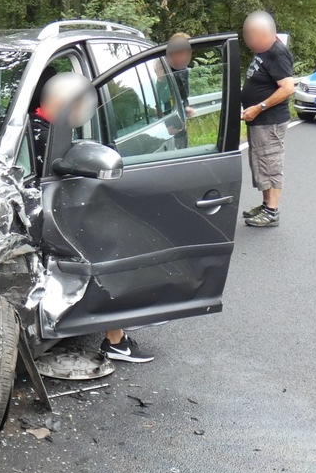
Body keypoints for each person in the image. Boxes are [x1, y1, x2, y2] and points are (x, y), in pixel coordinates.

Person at [28, 69, 154, 364]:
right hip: (53, 214)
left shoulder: (25, 125)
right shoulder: (51, 136)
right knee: (109, 251)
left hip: (41, 209)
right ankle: (116, 340)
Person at [239, 10, 296, 228]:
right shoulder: (264, 50)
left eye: (252, 37)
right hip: (259, 121)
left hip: (270, 121)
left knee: (271, 163)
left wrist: (259, 107)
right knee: (261, 164)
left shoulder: (277, 52)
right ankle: (265, 206)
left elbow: (287, 88)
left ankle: (271, 212)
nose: (249, 42)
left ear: (266, 34)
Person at [166, 33, 196, 118]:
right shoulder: (161, 66)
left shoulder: (183, 70)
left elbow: (183, 94)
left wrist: (186, 107)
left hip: (176, 115)